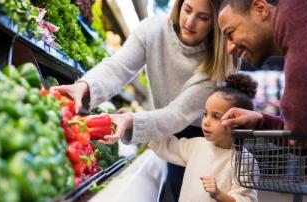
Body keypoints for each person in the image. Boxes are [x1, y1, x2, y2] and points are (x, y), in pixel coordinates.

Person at [52, 0, 230, 200]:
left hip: (205, 137)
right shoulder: (153, 29)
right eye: (187, 9)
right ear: (179, 5)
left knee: (199, 195)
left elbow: (177, 114)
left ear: (214, 22)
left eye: (203, 17)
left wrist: (131, 121)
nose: (190, 21)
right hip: (168, 132)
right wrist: (84, 87)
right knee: (178, 191)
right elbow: (118, 67)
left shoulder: (218, 60)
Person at [214, 0, 307, 136]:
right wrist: (262, 123)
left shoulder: (300, 7)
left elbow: (304, 125)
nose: (229, 49)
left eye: (230, 33)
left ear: (260, 8)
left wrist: (298, 128)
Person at [149, 73, 258, 202]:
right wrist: (134, 123)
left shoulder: (244, 161)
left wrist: (219, 195)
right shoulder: (197, 146)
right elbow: (166, 144)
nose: (206, 122)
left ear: (238, 122)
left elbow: (247, 199)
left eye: (216, 117)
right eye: (205, 114)